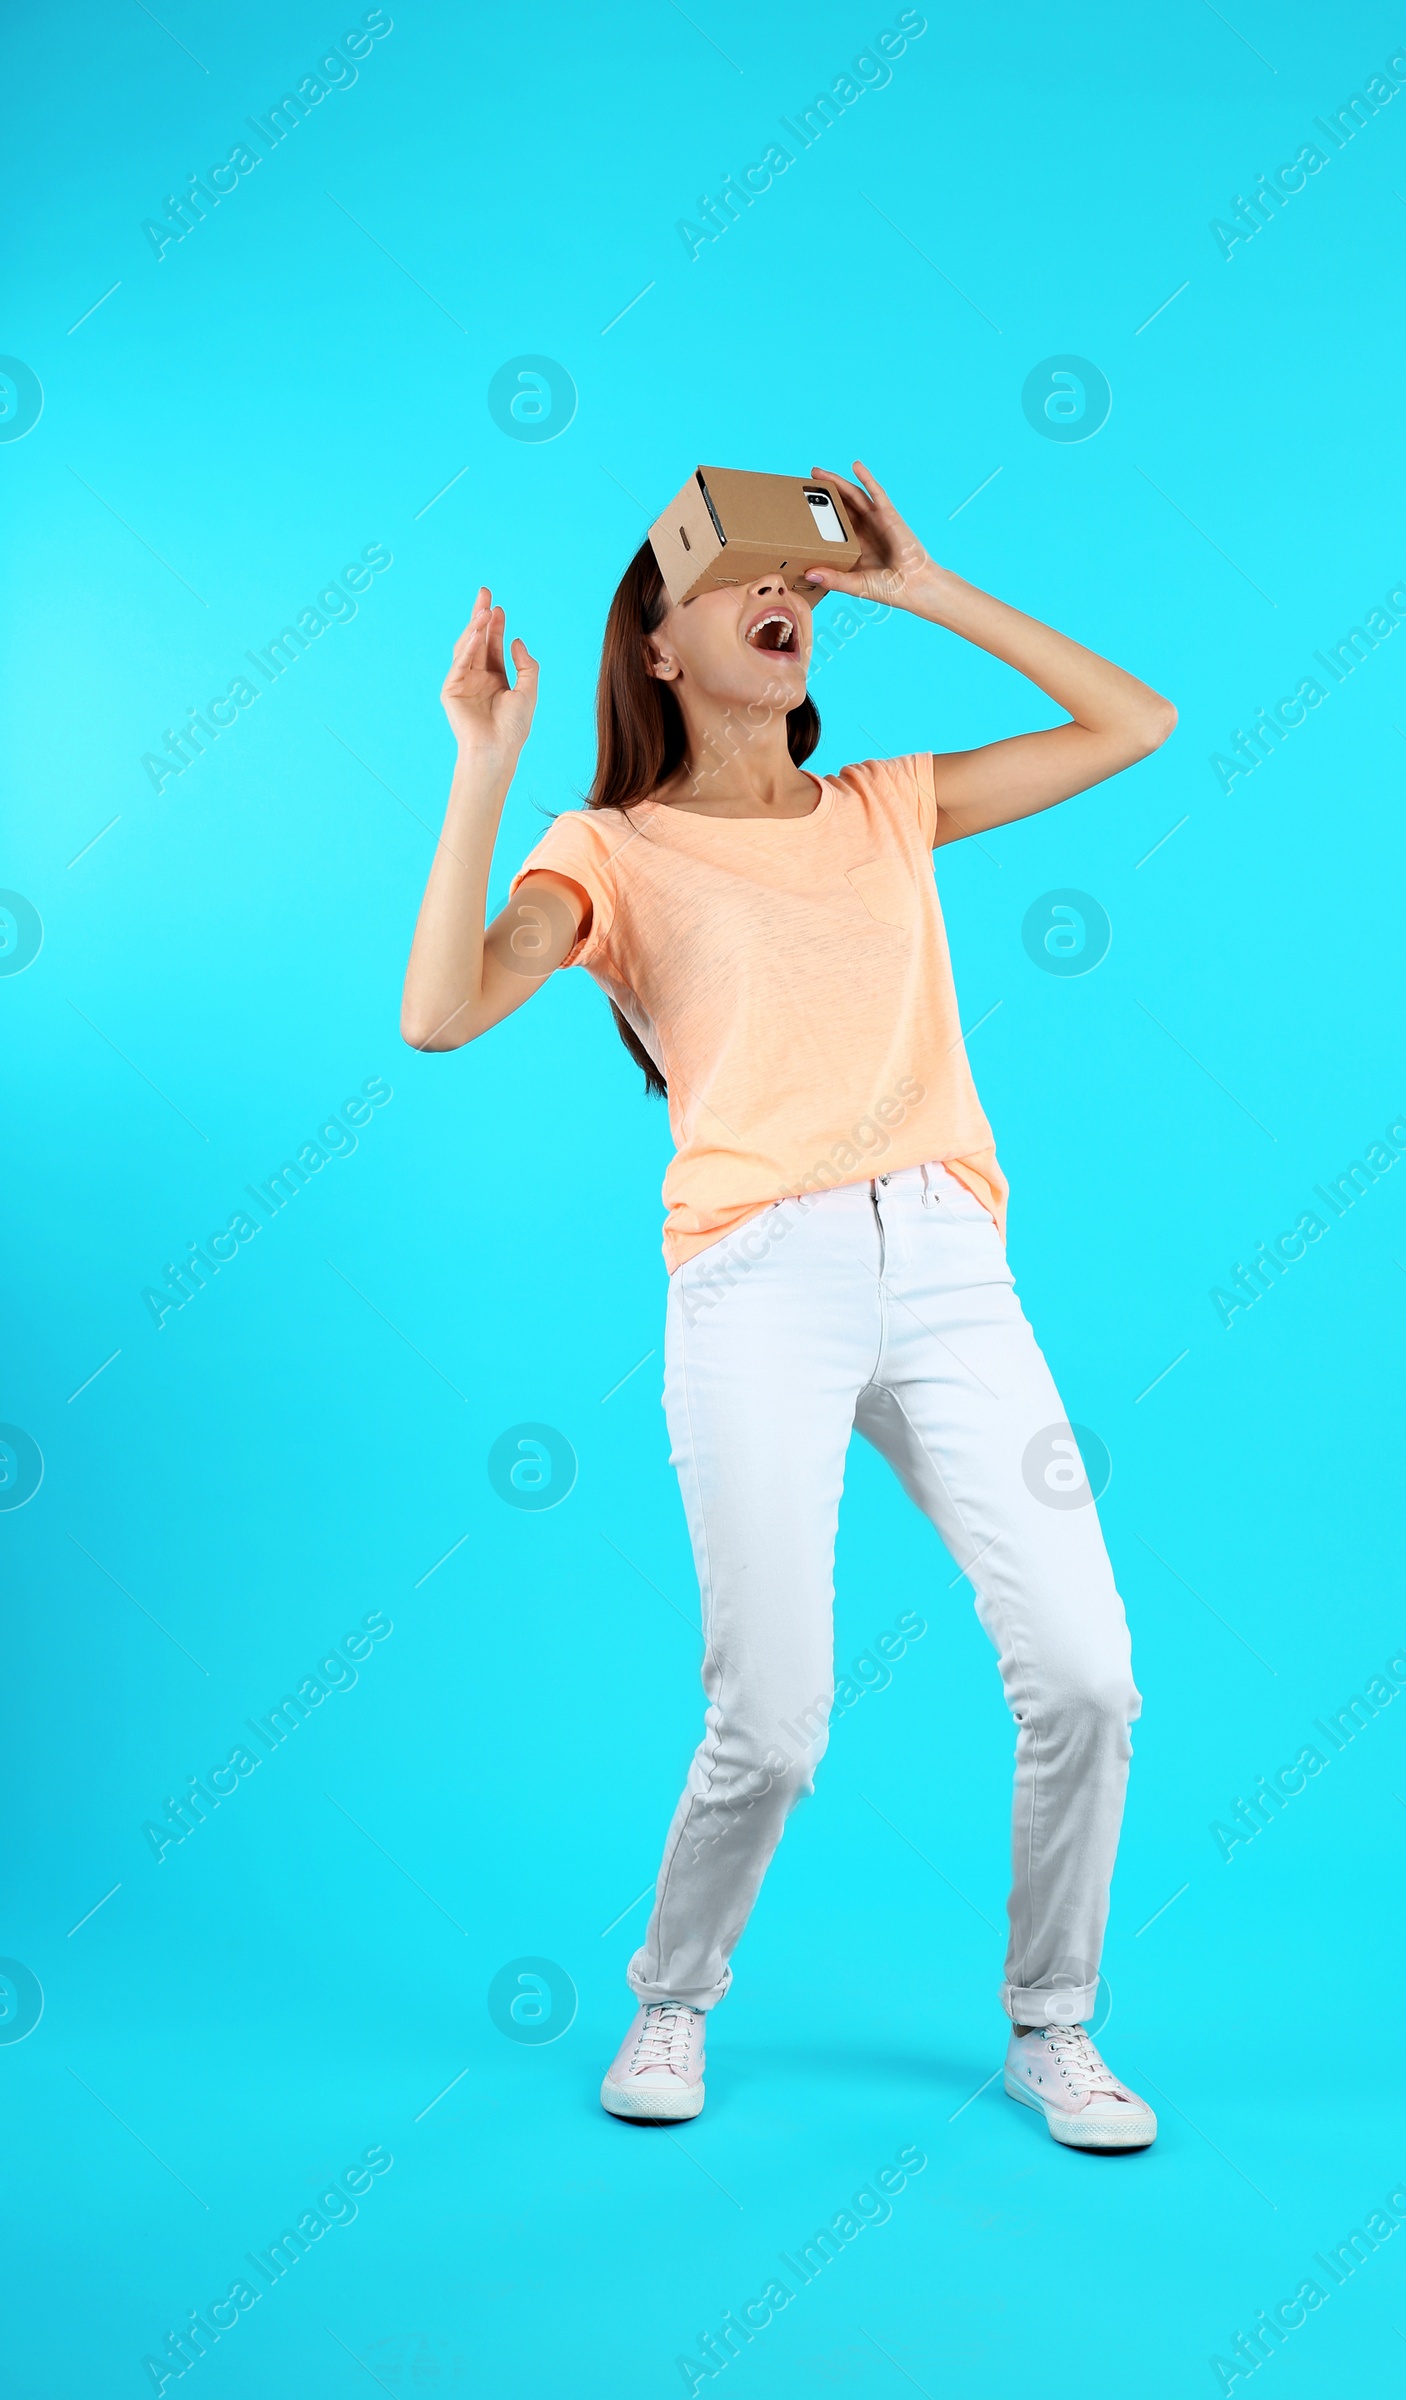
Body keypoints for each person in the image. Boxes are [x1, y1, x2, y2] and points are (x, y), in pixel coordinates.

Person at [401, 462, 1177, 2151]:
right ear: (660, 650)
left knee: (1091, 1677)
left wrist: (928, 586)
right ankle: (672, 2000)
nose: (791, 602)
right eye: (750, 590)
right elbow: (440, 1014)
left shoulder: (891, 805)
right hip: (760, 1283)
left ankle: (1056, 2022)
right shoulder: (606, 850)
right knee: (775, 1719)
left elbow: (1137, 723)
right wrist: (485, 767)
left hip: (956, 1272)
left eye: (810, 593)